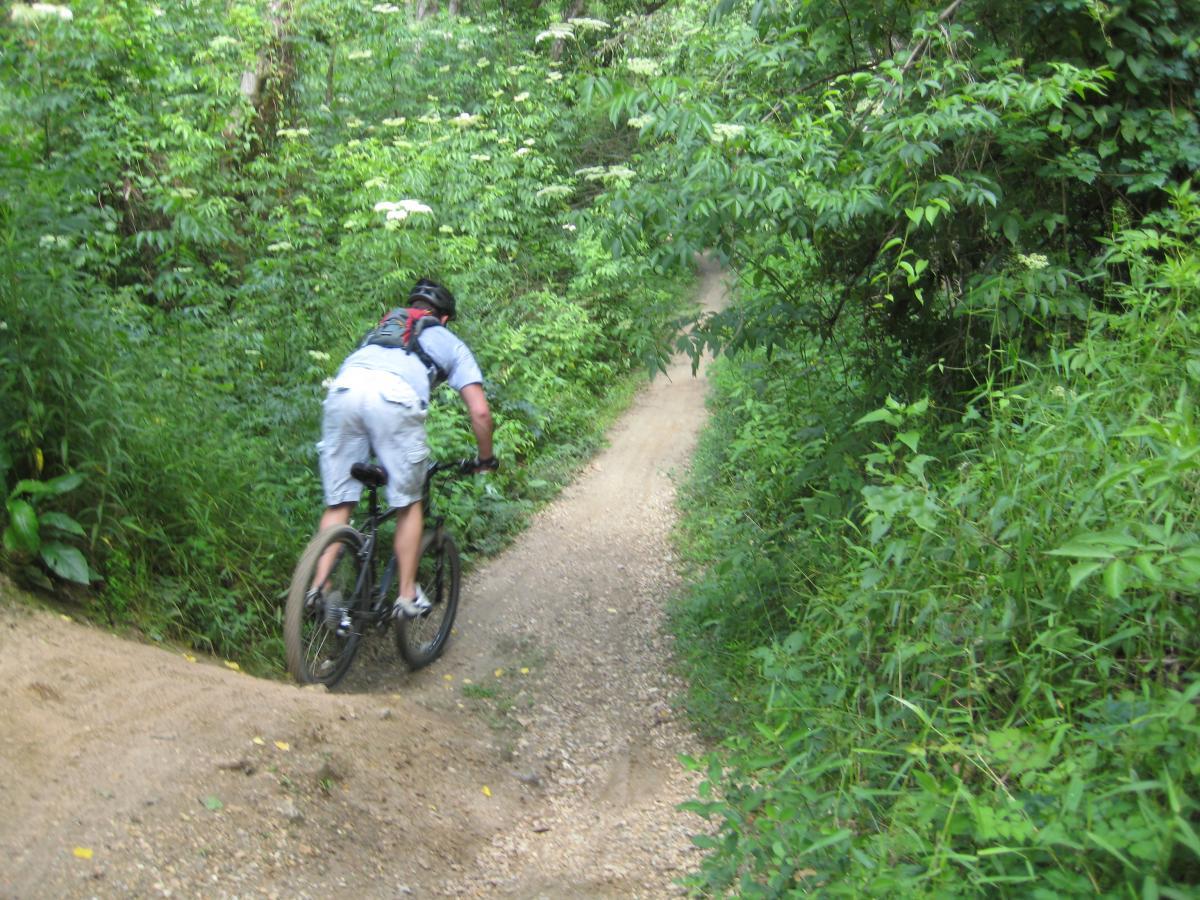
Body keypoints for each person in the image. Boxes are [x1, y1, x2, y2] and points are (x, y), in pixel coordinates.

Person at [313, 278, 495, 619]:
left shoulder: (379, 333)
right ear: (444, 319)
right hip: (393, 399)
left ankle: (318, 588)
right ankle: (407, 595)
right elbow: (480, 411)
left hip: (343, 389)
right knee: (408, 504)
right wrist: (485, 459)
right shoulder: (450, 342)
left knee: (340, 502)